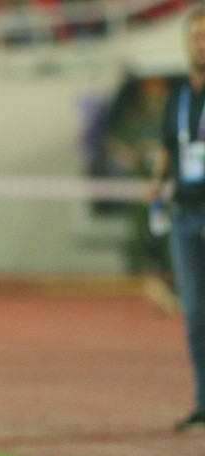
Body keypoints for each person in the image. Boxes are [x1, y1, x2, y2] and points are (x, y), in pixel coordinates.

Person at [148, 5, 205, 432]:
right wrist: (156, 182)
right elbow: (171, 146)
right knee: (196, 317)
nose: (201, 45)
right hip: (185, 216)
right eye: (196, 38)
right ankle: (204, 402)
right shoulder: (179, 97)